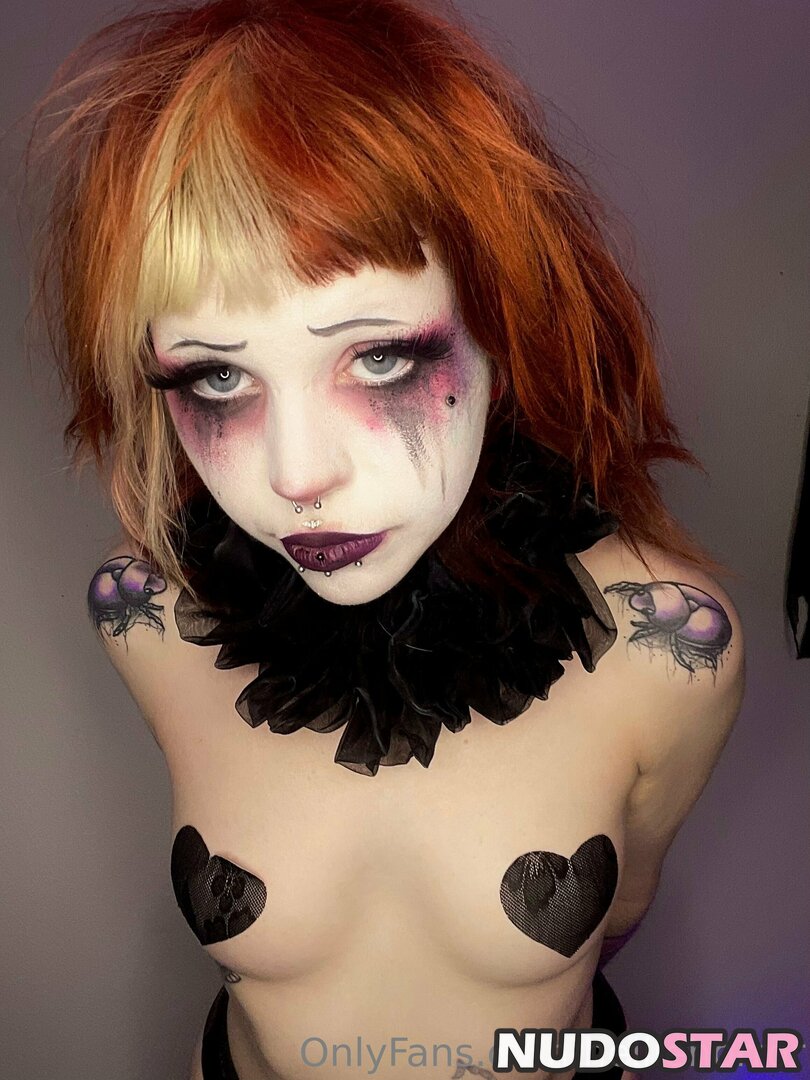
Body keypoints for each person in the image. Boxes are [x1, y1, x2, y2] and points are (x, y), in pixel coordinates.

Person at [28, 0, 745, 1077]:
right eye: (216, 377)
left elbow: (622, 907)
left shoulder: (670, 651)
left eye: (378, 357)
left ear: (507, 320)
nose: (296, 477)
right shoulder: (144, 618)